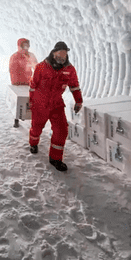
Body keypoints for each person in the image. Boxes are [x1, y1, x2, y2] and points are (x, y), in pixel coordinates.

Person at [28, 41, 83, 172]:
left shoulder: (69, 69)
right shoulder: (41, 67)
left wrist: (78, 101)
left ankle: (55, 159)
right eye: (59, 53)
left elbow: (74, 86)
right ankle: (33, 143)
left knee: (62, 130)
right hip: (40, 103)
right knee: (36, 127)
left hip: (56, 104)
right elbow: (33, 85)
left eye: (64, 54)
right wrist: (31, 102)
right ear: (53, 53)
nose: (62, 56)